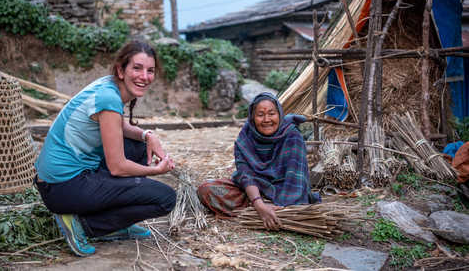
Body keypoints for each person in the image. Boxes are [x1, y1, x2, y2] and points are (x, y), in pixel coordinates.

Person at [34, 40, 177, 257]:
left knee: (139, 147)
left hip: (58, 182)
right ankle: (86, 224)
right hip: (62, 188)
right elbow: (118, 167)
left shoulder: (108, 87)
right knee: (165, 198)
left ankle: (111, 222)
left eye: (150, 71)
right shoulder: (108, 98)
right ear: (121, 70)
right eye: (137, 68)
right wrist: (155, 172)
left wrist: (148, 135)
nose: (144, 76)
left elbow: (118, 126)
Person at [197, 92, 319, 230]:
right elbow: (246, 175)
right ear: (253, 118)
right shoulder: (246, 136)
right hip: (252, 191)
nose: (266, 119)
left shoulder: (292, 136)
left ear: (279, 114)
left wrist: (283, 204)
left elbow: (295, 180)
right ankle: (262, 209)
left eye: (271, 113)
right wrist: (259, 204)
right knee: (205, 189)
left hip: (284, 193)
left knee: (292, 202)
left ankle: (272, 210)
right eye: (260, 115)